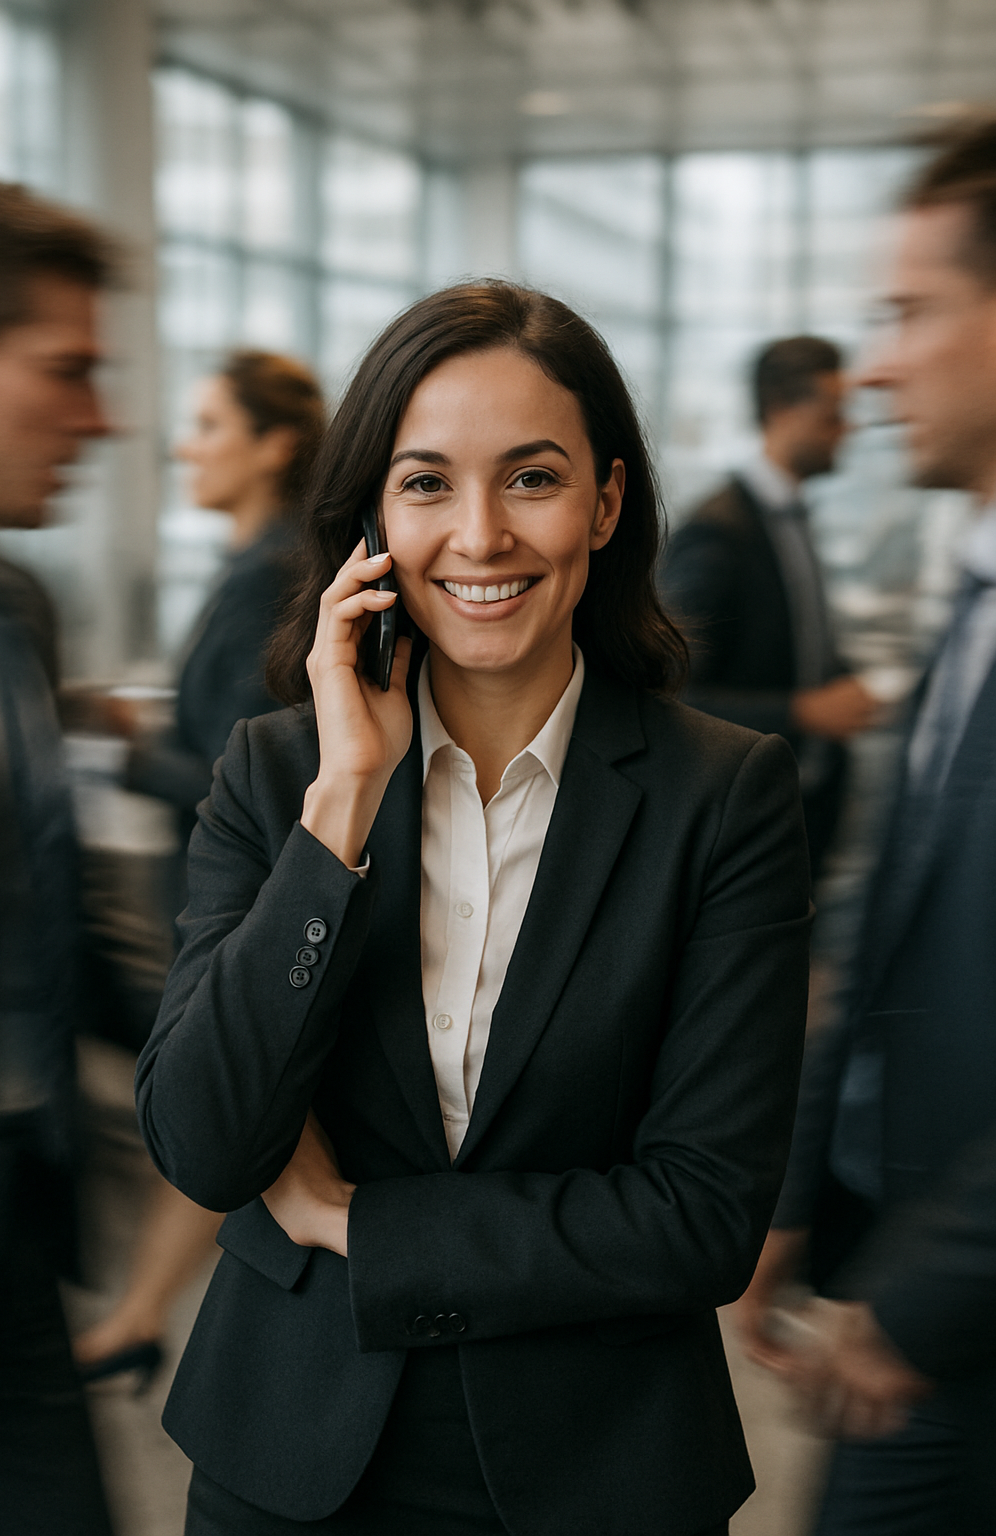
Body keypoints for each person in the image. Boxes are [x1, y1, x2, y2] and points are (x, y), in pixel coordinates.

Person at [135, 280, 812, 1536]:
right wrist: (341, 803)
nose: (482, 535)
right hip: (287, 1451)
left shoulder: (723, 797)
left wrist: (362, 1223)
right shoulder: (280, 773)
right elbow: (206, 1144)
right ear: (373, 519)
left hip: (597, 1464)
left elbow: (702, 1215)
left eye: (534, 477)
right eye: (429, 481)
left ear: (606, 502)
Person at [735, 116, 996, 1535]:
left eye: (910, 314)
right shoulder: (976, 595)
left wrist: (922, 1298)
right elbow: (889, 935)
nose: (879, 366)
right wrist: (794, 1201)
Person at [74, 348, 326, 1384]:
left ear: (273, 447)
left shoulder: (267, 573)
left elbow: (246, 774)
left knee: (218, 1102)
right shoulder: (261, 563)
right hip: (239, 900)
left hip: (238, 900)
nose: (184, 445)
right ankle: (139, 1315)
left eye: (211, 426)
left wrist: (119, 749)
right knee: (228, 1107)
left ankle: (149, 1318)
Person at [0, 175, 114, 1533]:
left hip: (17, 1211)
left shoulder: (16, 605)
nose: (101, 418)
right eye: (65, 372)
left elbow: (42, 910)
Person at [659, 336, 879, 878]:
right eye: (833, 413)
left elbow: (797, 636)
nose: (847, 428)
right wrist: (803, 711)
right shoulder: (717, 532)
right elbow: (673, 694)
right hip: (748, 814)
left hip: (807, 798)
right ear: (782, 409)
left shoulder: (792, 516)